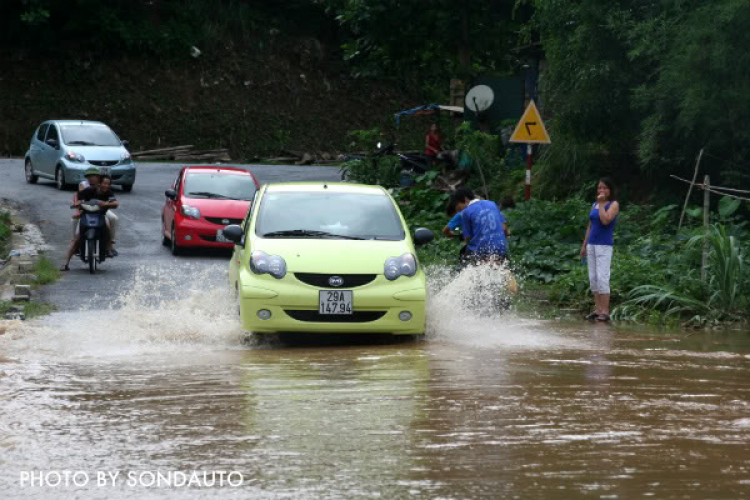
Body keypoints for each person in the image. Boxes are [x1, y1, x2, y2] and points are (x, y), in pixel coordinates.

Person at [580, 177, 620, 322]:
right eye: (599, 188)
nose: (601, 190)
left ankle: (605, 311)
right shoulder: (594, 204)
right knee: (593, 278)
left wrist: (602, 204)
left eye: (604, 188)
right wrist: (584, 245)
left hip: (604, 245)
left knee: (603, 277)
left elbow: (605, 220)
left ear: (610, 190)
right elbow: (590, 226)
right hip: (591, 244)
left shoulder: (613, 204)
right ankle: (597, 310)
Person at [60, 175, 120, 270]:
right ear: (99, 183)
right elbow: (78, 196)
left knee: (107, 226)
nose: (106, 185)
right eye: (104, 183)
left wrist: (105, 204)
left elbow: (116, 203)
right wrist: (77, 204)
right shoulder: (90, 190)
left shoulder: (109, 192)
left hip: (101, 215)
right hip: (86, 214)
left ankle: (109, 247)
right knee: (77, 238)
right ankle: (65, 263)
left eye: (108, 184)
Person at [447, 188, 509, 266]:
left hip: (481, 251)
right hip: (500, 247)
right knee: (504, 270)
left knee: (466, 263)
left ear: (465, 198)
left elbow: (468, 240)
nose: (457, 209)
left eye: (457, 205)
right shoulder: (492, 203)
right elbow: (505, 229)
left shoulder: (466, 212)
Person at [71, 167, 119, 255]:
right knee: (74, 220)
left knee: (113, 218)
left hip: (100, 209)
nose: (91, 178)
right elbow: (77, 197)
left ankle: (110, 243)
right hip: (86, 209)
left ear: (98, 177)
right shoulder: (83, 185)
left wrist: (105, 205)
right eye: (89, 176)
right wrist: (78, 211)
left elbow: (113, 200)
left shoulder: (104, 184)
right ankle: (75, 243)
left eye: (93, 176)